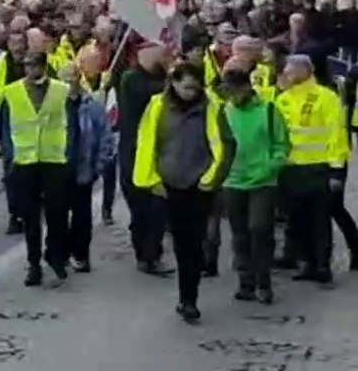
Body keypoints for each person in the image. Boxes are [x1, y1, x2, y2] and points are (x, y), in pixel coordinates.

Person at [133, 62, 235, 324]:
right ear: (174, 83)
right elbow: (146, 142)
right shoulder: (157, 106)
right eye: (186, 87)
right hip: (168, 184)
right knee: (181, 241)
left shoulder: (211, 106)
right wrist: (150, 180)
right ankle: (185, 296)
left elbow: (224, 146)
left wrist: (210, 180)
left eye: (195, 87)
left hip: (200, 184)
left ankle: (190, 297)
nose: (191, 92)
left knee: (195, 240)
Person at [0, 51, 73, 287]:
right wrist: (9, 156)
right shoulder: (12, 92)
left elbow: (70, 122)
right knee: (30, 217)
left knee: (57, 214)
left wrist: (69, 152)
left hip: (54, 158)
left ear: (43, 66)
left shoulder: (61, 90)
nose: (31, 70)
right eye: (27, 66)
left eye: (35, 66)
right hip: (25, 160)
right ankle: (33, 263)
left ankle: (55, 255)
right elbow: (5, 127)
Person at [274, 54, 348, 285]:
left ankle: (322, 265)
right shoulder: (283, 99)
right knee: (298, 218)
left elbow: (336, 134)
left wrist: (336, 169)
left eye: (289, 70)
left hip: (318, 167)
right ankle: (306, 261)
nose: (286, 74)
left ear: (304, 70)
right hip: (291, 168)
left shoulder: (325, 97)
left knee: (319, 219)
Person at [220, 66, 288, 305]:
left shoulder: (268, 110)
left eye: (236, 91)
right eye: (228, 92)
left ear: (247, 88)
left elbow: (282, 145)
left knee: (259, 229)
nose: (233, 96)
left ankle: (264, 282)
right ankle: (246, 281)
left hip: (263, 181)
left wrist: (270, 167)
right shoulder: (224, 112)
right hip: (233, 180)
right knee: (240, 233)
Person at [117, 41, 172, 276]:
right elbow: (156, 93)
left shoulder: (155, 80)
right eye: (162, 56)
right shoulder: (132, 80)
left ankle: (151, 254)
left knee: (157, 209)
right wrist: (171, 78)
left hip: (157, 153)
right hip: (135, 154)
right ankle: (146, 255)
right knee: (142, 208)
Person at [63, 50, 114, 273]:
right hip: (58, 168)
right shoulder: (54, 107)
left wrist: (99, 166)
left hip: (83, 168)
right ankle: (61, 251)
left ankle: (80, 254)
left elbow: (105, 137)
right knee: (58, 215)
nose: (68, 84)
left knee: (82, 216)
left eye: (71, 79)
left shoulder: (92, 105)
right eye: (64, 80)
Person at [0, 30, 29, 235]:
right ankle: (15, 213)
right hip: (8, 111)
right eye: (13, 43)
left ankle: (29, 207)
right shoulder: (2, 61)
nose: (17, 47)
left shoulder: (33, 61)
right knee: (11, 162)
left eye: (20, 42)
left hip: (29, 113)